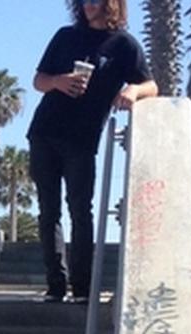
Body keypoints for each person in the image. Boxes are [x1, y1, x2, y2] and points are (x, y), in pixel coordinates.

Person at [28, 0, 158, 303]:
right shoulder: (65, 36)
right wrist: (58, 82)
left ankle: (83, 288)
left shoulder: (123, 45)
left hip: (82, 140)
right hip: (45, 132)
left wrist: (132, 90)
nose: (89, 5)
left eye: (96, 0)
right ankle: (55, 285)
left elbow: (151, 84)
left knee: (80, 211)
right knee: (49, 210)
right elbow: (38, 80)